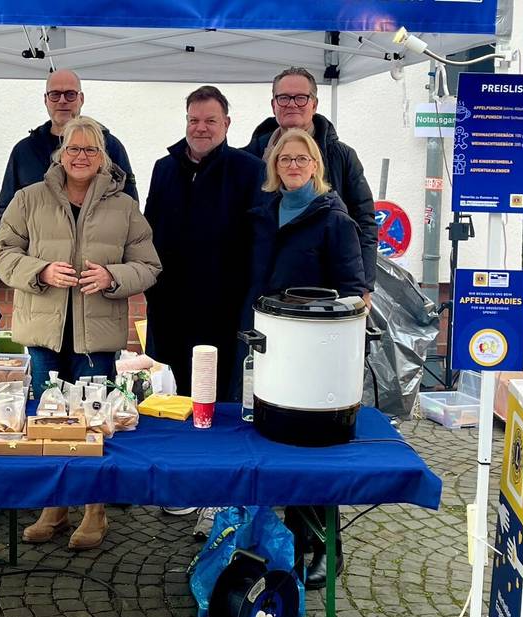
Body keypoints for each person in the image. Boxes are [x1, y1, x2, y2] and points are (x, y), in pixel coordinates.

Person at [0, 116, 161, 550]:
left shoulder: (123, 207)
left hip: (97, 336)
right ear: (59, 154)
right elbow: (2, 251)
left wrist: (112, 276)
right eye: (72, 148)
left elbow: (149, 266)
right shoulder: (29, 199)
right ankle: (55, 507)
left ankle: (94, 509)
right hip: (45, 331)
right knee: (49, 421)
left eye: (89, 150)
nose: (80, 157)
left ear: (102, 156)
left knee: (92, 422)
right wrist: (40, 270)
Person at [244, 128, 369, 589]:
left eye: (301, 159)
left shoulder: (335, 219)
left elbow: (353, 291)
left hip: (314, 355)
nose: (292, 166)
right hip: (269, 342)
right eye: (284, 160)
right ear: (274, 167)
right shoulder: (263, 213)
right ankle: (280, 538)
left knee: (312, 453)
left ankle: (322, 546)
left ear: (315, 164)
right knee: (272, 442)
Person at [144, 85, 266, 403]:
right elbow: (148, 234)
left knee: (223, 399)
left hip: (225, 312)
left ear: (226, 123)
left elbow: (259, 243)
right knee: (181, 398)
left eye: (210, 120)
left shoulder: (250, 171)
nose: (201, 128)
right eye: (193, 120)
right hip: (173, 310)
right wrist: (152, 290)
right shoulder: (164, 169)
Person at [242, 67, 378, 299]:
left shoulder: (342, 156)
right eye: (283, 97)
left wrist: (363, 287)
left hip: (321, 296)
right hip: (265, 300)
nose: (291, 104)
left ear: (314, 104)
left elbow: (364, 222)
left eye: (301, 97)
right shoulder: (251, 157)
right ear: (273, 105)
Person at [0, 69, 138, 223]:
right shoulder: (24, 151)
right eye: (55, 94)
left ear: (81, 98)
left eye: (70, 94)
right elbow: (6, 209)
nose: (62, 100)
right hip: (38, 247)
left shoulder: (108, 146)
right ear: (46, 99)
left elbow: (130, 207)